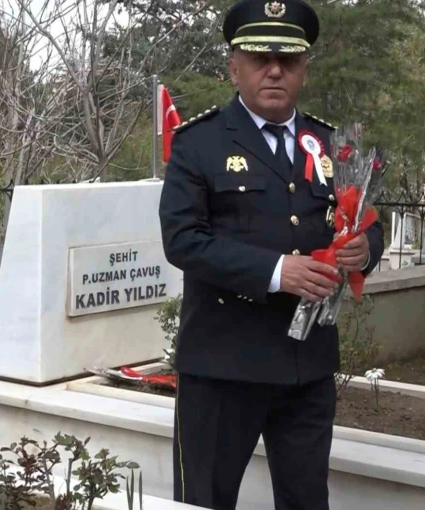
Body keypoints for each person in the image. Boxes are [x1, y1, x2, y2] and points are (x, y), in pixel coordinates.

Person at [158, 1, 385, 509]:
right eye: (260, 58)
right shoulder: (200, 143)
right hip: (222, 366)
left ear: (304, 68)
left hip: (306, 370)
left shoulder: (330, 145)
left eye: (288, 59)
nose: (275, 69)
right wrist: (279, 272)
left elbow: (374, 224)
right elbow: (183, 240)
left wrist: (362, 249)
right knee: (205, 500)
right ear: (233, 66)